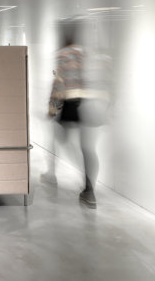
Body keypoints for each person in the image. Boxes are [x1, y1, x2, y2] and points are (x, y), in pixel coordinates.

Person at [44, 21, 100, 209]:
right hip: (91, 104)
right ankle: (89, 191)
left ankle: (52, 174)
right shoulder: (87, 54)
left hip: (71, 103)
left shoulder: (62, 54)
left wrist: (52, 108)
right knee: (88, 148)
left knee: (57, 136)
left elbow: (59, 83)